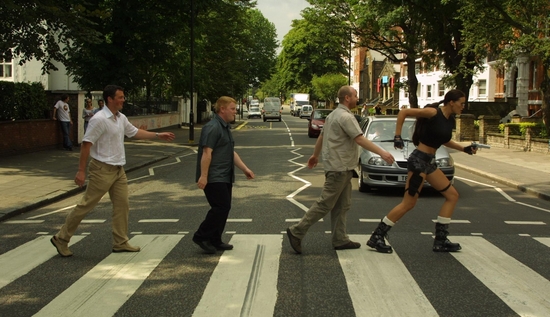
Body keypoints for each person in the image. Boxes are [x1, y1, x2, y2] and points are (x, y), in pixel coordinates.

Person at [50, 85, 176, 257]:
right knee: (86, 206)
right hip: (101, 169)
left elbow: (133, 132)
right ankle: (61, 238)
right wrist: (81, 171)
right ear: (110, 99)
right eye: (121, 97)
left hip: (118, 170)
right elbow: (86, 144)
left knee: (122, 205)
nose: (123, 100)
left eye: (123, 97)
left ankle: (120, 242)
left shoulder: (120, 118)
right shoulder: (99, 119)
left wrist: (157, 136)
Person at [286, 86, 394, 254]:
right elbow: (359, 139)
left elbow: (322, 136)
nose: (357, 98)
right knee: (325, 203)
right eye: (355, 95)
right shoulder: (345, 117)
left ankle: (340, 239)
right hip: (339, 168)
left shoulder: (332, 115)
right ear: (347, 98)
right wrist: (383, 153)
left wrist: (315, 155)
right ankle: (297, 231)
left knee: (342, 205)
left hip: (341, 167)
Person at [367, 89, 477, 254]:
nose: (464, 106)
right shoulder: (433, 112)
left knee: (452, 196)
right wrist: (397, 136)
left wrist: (464, 148)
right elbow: (403, 112)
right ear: (451, 102)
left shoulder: (449, 120)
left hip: (429, 163)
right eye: (462, 103)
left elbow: (444, 140)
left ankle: (440, 240)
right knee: (408, 203)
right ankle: (377, 236)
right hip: (419, 161)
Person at [193, 96, 255, 254]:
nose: (236, 112)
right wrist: (204, 176)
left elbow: (230, 152)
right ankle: (201, 236)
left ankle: (215, 239)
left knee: (224, 207)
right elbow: (207, 153)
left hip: (225, 175)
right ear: (222, 109)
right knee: (221, 207)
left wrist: (245, 169)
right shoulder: (213, 127)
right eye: (233, 109)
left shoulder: (225, 127)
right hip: (214, 176)